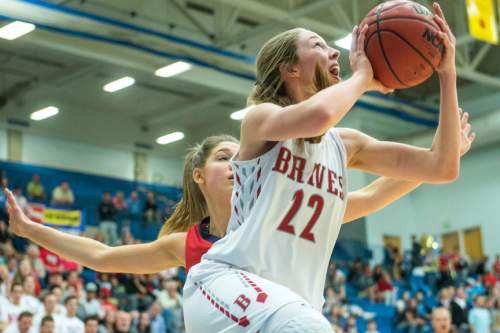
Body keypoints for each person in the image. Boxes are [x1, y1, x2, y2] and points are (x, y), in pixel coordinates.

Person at [4, 105, 473, 331]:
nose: (235, 164)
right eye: (224, 157)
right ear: (199, 176)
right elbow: (103, 255)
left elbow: (370, 196)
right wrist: (29, 229)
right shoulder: (185, 244)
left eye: (239, 155)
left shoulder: (283, 206)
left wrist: (436, 159)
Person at [184, 2, 460, 331]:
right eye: (318, 45)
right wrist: (362, 78)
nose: (335, 53)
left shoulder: (346, 145)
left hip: (290, 305)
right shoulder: (260, 120)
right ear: (290, 70)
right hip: (227, 284)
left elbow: (441, 166)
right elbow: (318, 118)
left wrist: (447, 72)